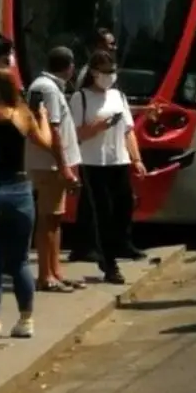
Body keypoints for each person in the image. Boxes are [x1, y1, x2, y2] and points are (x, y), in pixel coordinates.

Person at [0, 66, 52, 343]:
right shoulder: (21, 114)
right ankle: (26, 320)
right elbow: (46, 141)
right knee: (20, 260)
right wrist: (42, 116)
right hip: (20, 190)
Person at [69, 48, 144, 283]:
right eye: (104, 71)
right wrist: (99, 126)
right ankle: (109, 262)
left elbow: (128, 131)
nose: (109, 76)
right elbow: (76, 134)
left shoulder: (118, 96)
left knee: (124, 207)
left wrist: (136, 159)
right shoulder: (80, 98)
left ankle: (121, 246)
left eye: (112, 71)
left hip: (118, 160)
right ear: (93, 72)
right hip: (93, 162)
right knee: (103, 213)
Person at [26, 46, 81, 291]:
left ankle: (55, 271)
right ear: (69, 67)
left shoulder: (47, 86)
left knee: (56, 219)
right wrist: (64, 166)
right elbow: (53, 129)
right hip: (50, 164)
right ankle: (45, 275)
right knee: (48, 219)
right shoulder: (47, 88)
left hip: (54, 163)